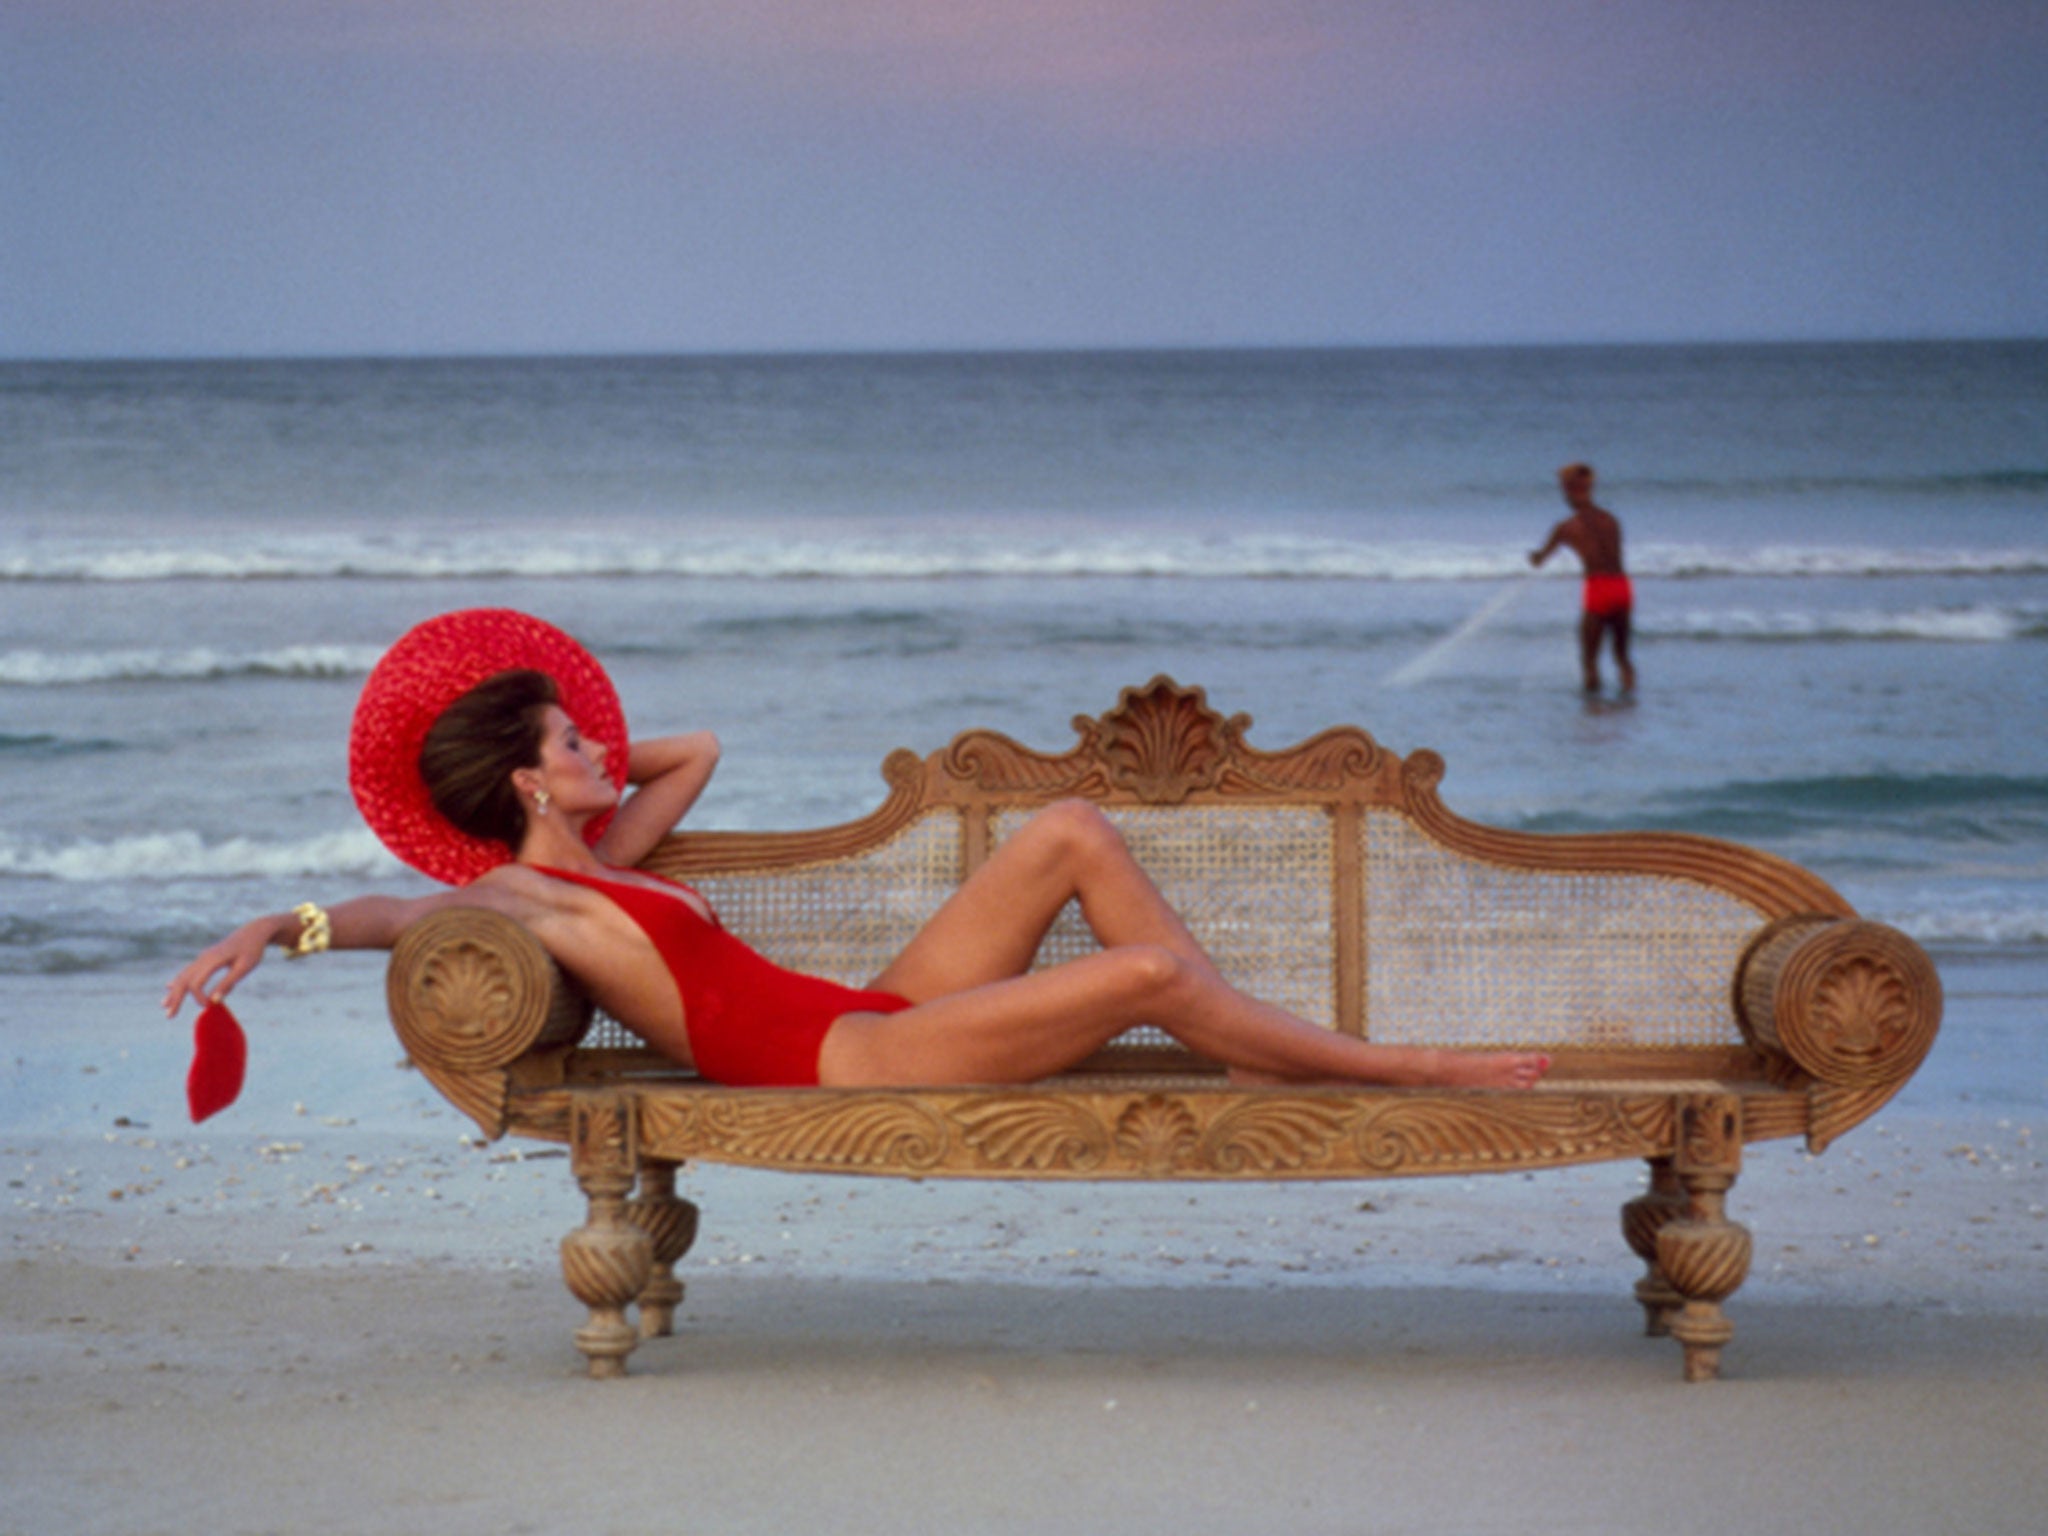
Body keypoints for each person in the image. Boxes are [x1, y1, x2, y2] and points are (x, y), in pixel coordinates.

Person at [165, 609, 1550, 1093]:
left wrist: (580, 761)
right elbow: (392, 915)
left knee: (1069, 826)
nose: (600, 750)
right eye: (572, 744)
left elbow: (697, 746)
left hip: (879, 1010)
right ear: (529, 782)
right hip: (857, 1062)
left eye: (590, 739)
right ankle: (1395, 1065)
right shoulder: (533, 890)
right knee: (1142, 982)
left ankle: (1239, 1033)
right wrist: (268, 933)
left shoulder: (616, 860)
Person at [1530, 462, 1636, 693]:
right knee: (1622, 657)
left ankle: (1591, 716)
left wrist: (1534, 557)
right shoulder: (1611, 520)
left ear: (1569, 491)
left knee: (1589, 661)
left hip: (1598, 588)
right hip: (1622, 587)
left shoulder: (1566, 528)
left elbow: (1540, 560)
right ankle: (1629, 709)